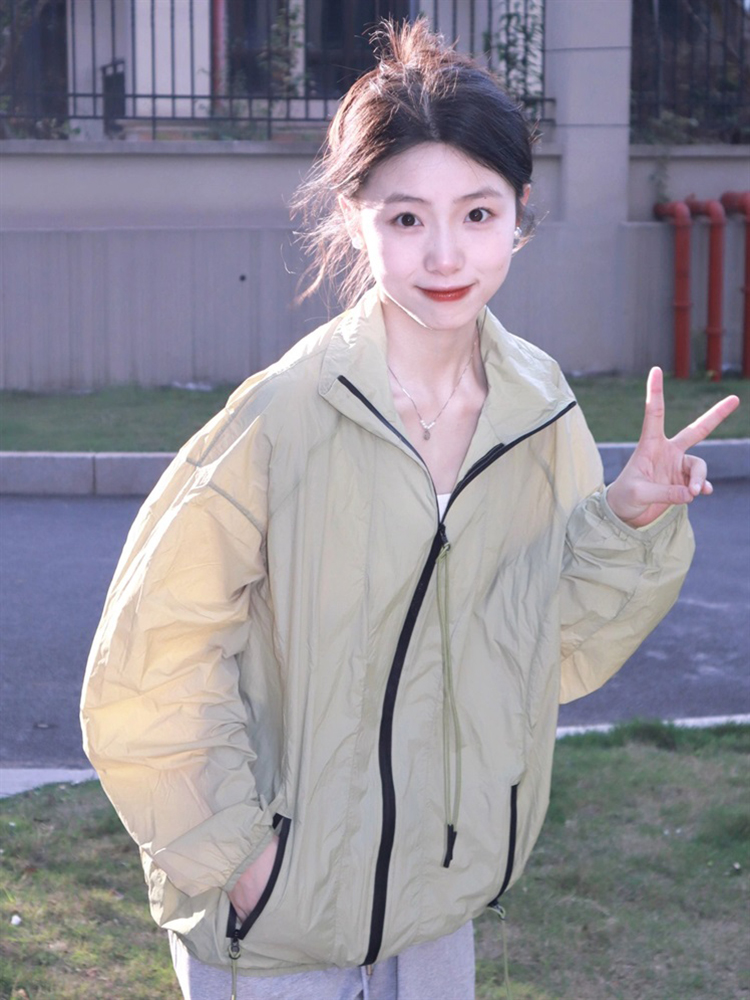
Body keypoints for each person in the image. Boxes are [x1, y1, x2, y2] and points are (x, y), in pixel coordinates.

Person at [80, 19, 739, 1000]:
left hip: (437, 904)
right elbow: (153, 660)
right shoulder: (281, 416)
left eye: (476, 212)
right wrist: (245, 861)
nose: (445, 252)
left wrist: (628, 518)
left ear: (519, 215)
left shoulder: (539, 407)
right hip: (278, 921)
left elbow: (547, 649)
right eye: (405, 218)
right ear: (357, 220)